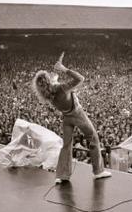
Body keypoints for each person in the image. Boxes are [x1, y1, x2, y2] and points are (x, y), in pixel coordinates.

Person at [32, 54, 112, 184]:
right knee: (93, 138)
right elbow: (80, 78)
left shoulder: (48, 94)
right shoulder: (61, 88)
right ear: (49, 80)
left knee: (67, 145)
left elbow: (53, 87)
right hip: (77, 114)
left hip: (66, 118)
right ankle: (98, 171)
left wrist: (54, 79)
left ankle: (62, 175)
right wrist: (64, 69)